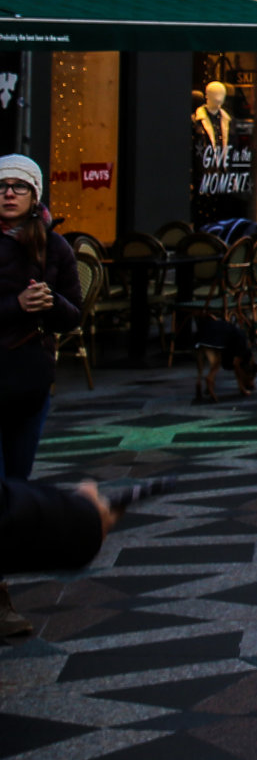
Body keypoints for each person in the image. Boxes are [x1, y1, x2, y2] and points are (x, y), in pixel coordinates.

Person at [0, 154, 81, 640]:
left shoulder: (54, 248)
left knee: (14, 492)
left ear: (35, 196)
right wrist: (15, 306)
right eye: (1, 186)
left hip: (28, 387)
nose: (8, 194)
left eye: (18, 187)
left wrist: (50, 304)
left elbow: (72, 317)